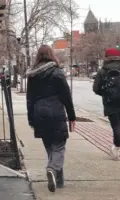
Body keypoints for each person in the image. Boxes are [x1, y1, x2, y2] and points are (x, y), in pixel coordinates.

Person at [26, 45, 76, 192]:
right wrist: (72, 117)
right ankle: (52, 169)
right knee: (59, 146)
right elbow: (67, 97)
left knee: (50, 147)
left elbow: (30, 99)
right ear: (51, 55)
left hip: (39, 113)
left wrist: (31, 119)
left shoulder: (33, 76)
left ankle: (58, 181)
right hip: (56, 112)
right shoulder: (57, 73)